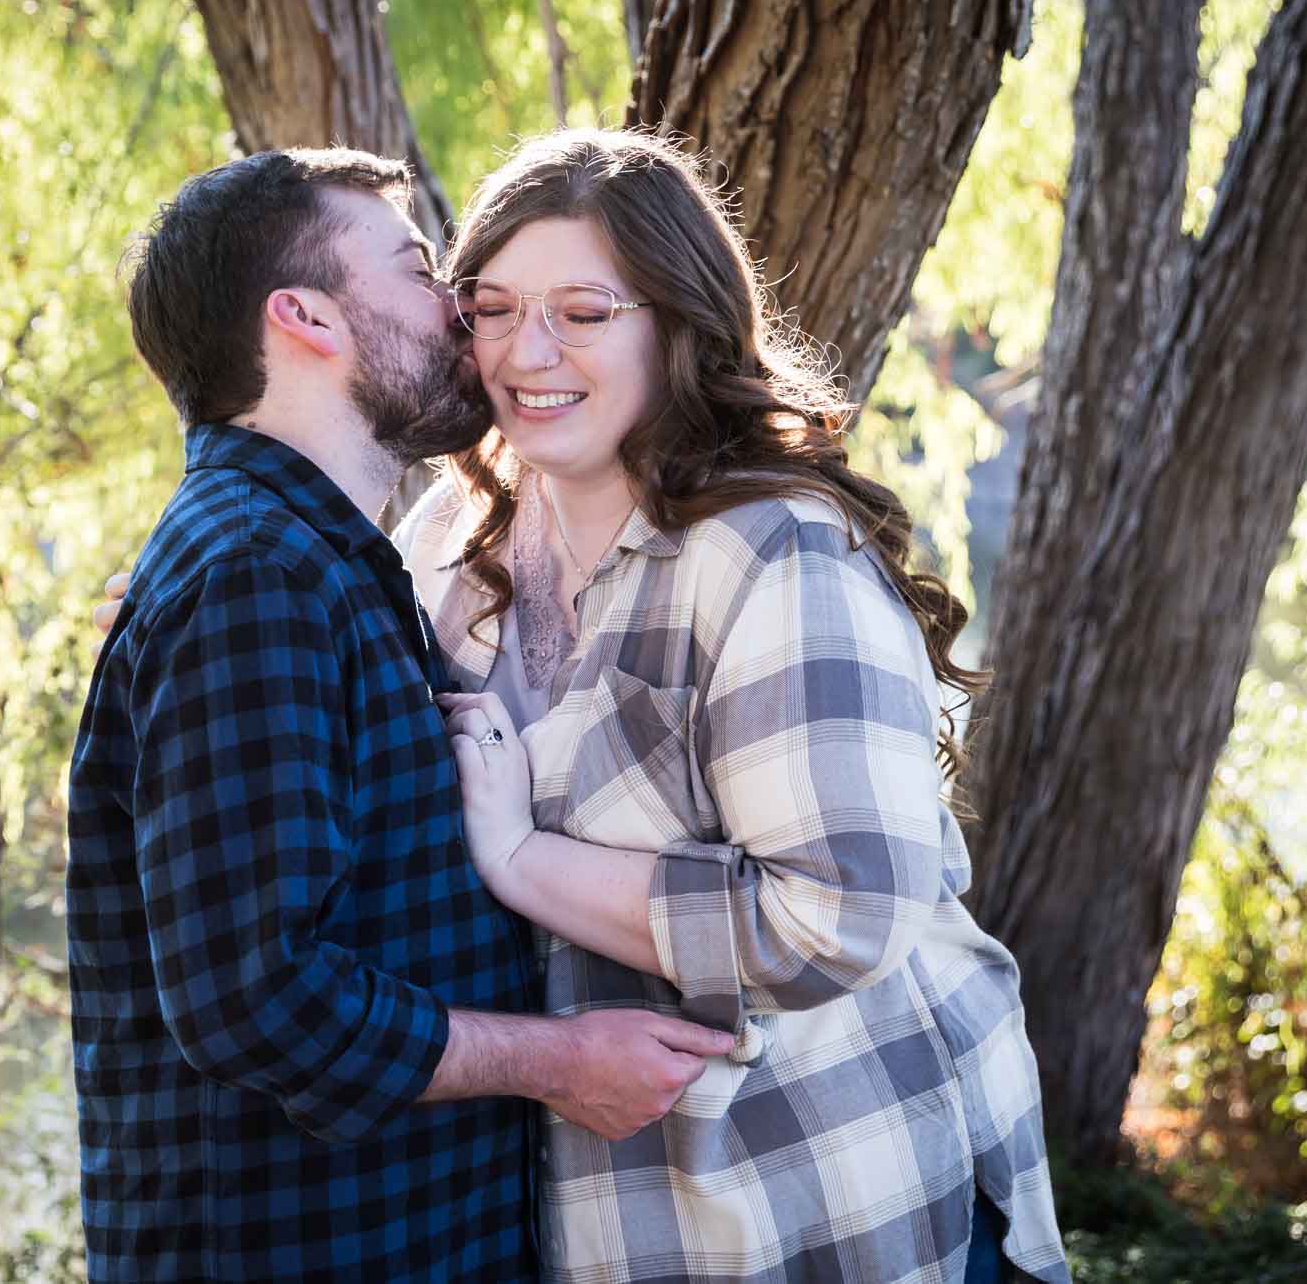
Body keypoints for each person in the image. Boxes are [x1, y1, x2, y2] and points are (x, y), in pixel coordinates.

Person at [410, 128, 1071, 1282]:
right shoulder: (450, 542)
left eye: (582, 310)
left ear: (676, 321)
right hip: (616, 1221)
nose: (528, 350)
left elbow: (842, 914)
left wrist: (520, 858)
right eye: (492, 308)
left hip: (834, 1195)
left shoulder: (769, 552)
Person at [69, 146, 735, 1283]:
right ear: (305, 318)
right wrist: (557, 1060)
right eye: (420, 267)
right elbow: (252, 998)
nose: (458, 304)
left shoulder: (314, 564)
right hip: (304, 1248)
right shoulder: (253, 575)